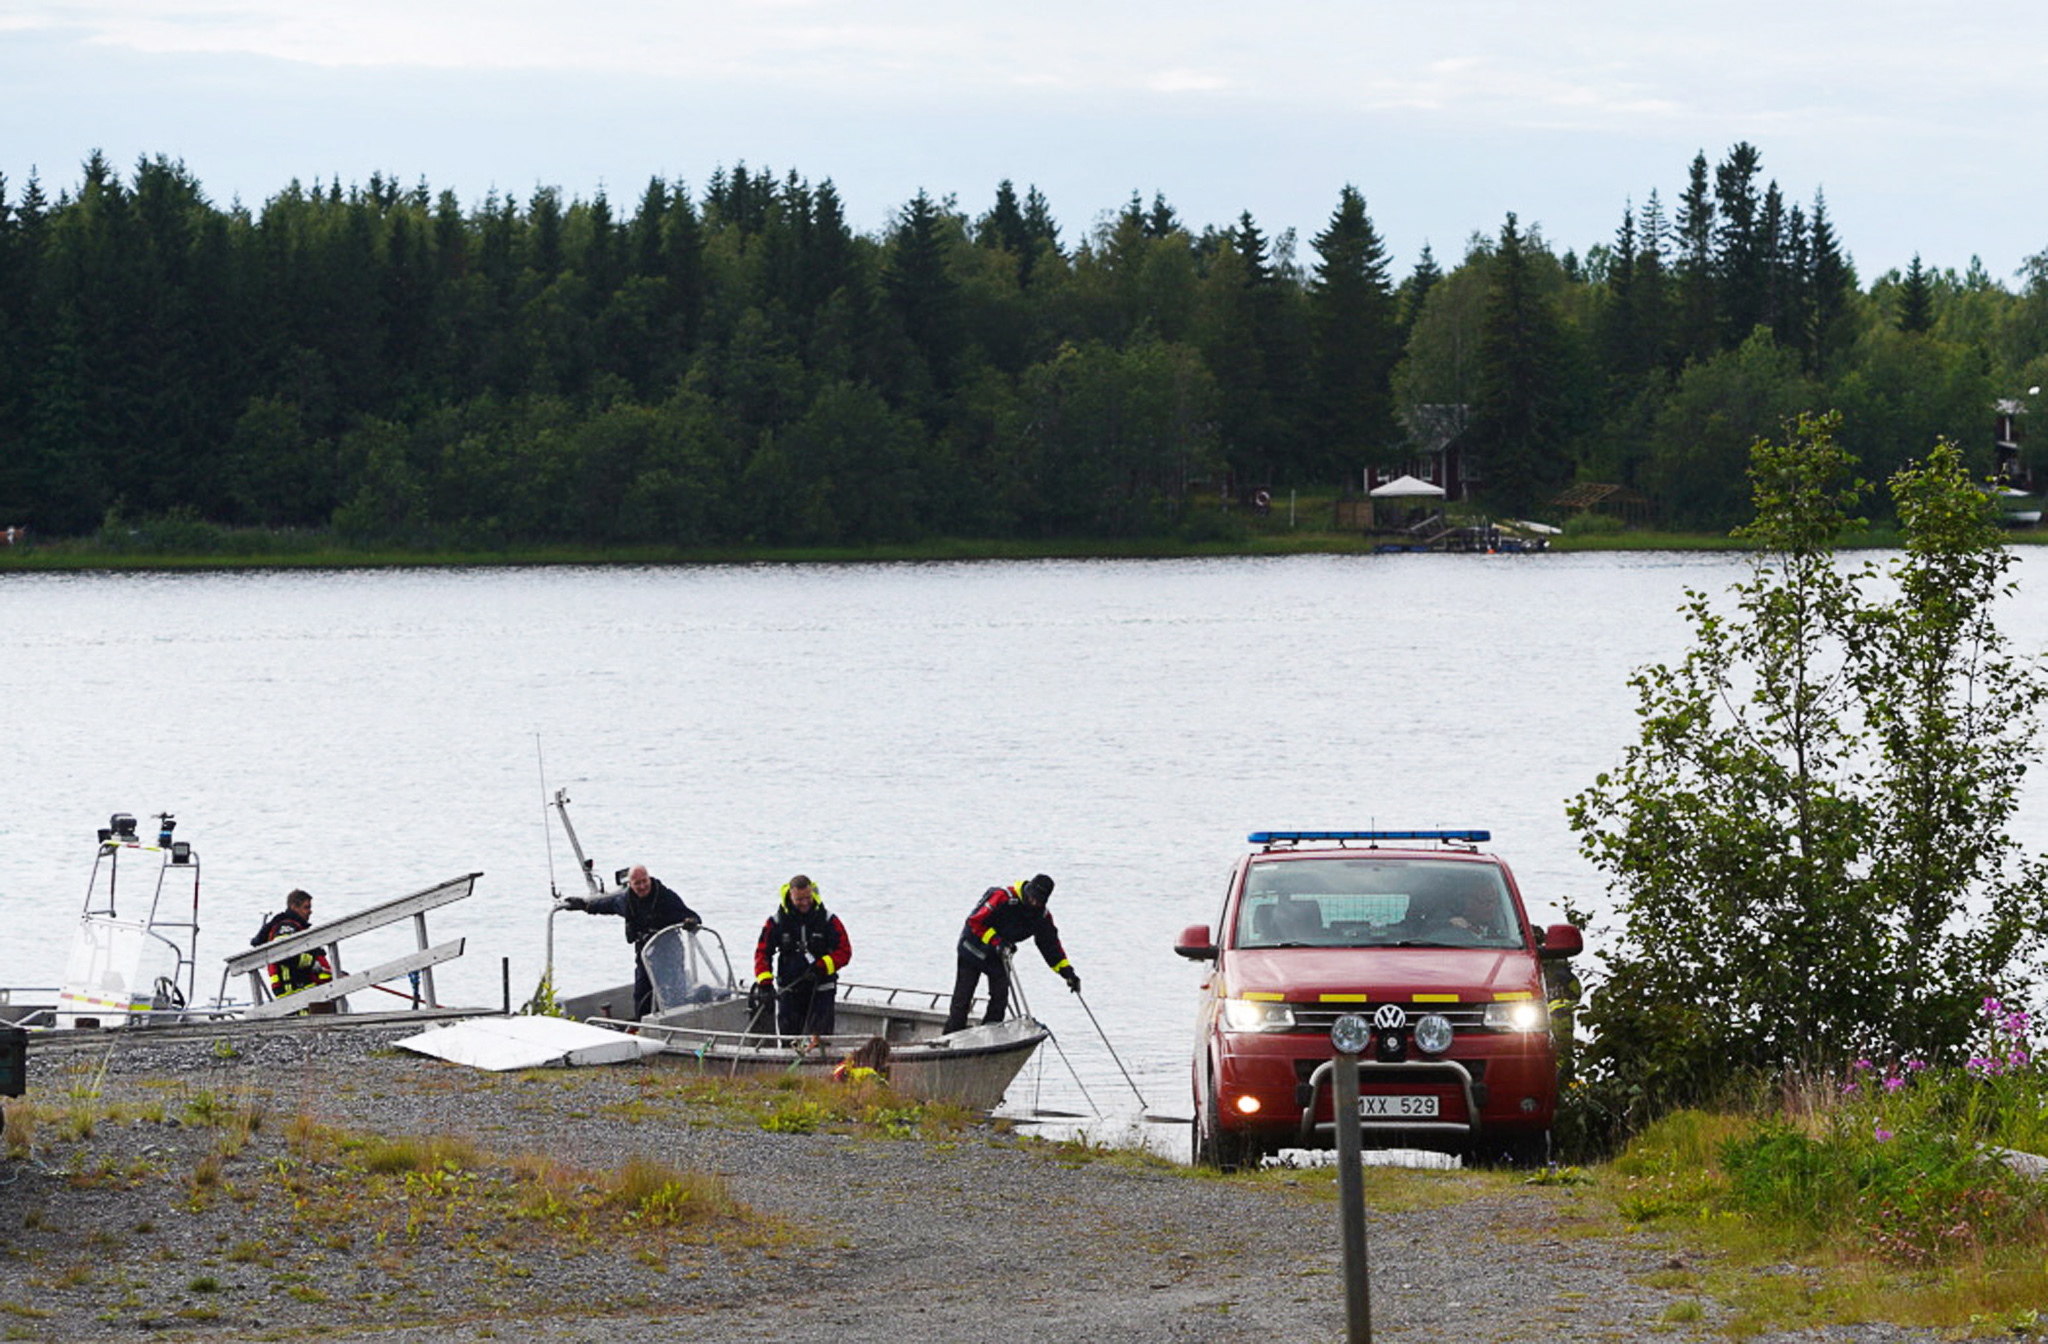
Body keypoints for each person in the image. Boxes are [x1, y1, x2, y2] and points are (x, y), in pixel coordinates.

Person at [944, 873, 1079, 1034]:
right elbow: (974, 922)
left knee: (1000, 998)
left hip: (998, 957)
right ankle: (950, 1038)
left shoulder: (1041, 916)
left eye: (1039, 901)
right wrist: (996, 942)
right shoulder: (1002, 898)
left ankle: (991, 1036)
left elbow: (1050, 946)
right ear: (1027, 891)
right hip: (972, 950)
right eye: (1032, 898)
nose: (1034, 902)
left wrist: (1067, 972)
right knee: (963, 999)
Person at [562, 864, 701, 1019]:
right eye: (637, 883)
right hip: (645, 955)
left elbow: (693, 917)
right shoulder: (626, 900)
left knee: (674, 992)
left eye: (644, 881)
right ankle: (643, 1028)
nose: (642, 886)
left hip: (669, 952)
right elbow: (606, 905)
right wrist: (584, 905)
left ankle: (679, 1021)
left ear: (649, 878)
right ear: (630, 884)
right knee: (642, 994)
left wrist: (691, 922)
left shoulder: (666, 897)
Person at [752, 874, 852, 1038]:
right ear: (790, 896)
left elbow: (844, 951)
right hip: (790, 990)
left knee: (821, 1041)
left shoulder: (828, 920)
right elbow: (762, 953)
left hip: (822, 989)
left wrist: (822, 966)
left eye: (808, 898)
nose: (805, 903)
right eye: (800, 900)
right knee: (789, 1040)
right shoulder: (776, 922)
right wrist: (765, 984)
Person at [251, 889, 333, 999]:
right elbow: (281, 954)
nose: (310, 911)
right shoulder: (286, 927)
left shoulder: (299, 928)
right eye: (306, 907)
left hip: (306, 989)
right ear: (294, 907)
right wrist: (313, 964)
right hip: (294, 991)